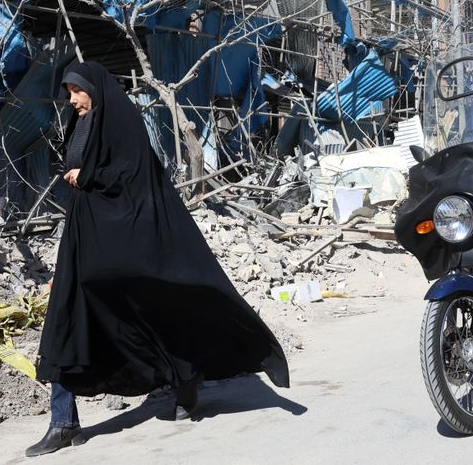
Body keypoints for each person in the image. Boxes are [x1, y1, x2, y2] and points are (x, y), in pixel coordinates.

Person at [28, 61, 290, 457]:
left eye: (76, 91)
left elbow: (132, 175)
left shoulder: (122, 123)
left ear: (95, 89)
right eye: (68, 92)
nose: (72, 100)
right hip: (83, 239)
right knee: (66, 319)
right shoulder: (79, 124)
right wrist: (79, 176)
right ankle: (63, 422)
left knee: (149, 313)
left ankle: (185, 376)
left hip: (124, 242)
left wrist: (88, 177)